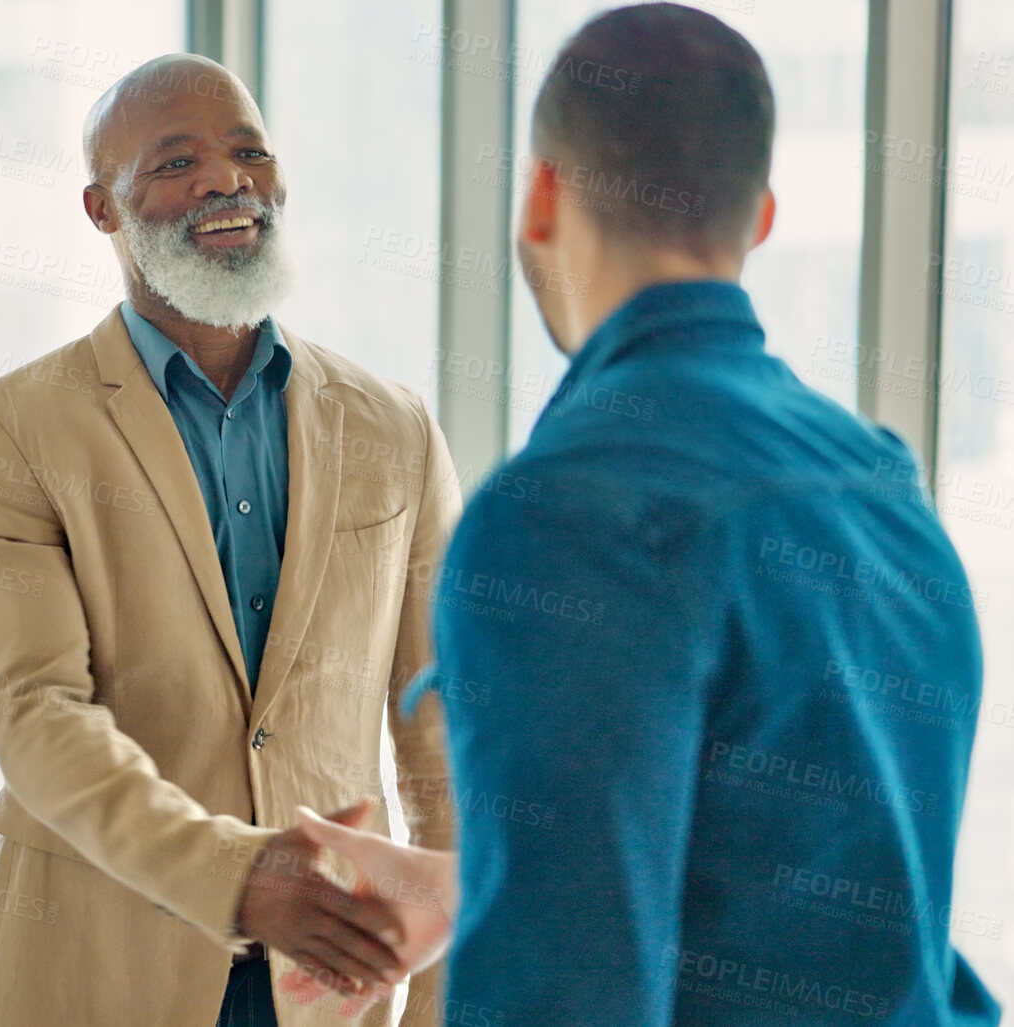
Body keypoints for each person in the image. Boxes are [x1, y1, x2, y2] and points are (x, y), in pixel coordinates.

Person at [386, 4, 1001, 1024]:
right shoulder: (885, 490)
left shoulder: (560, 517)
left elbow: (563, 996)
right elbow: (833, 925)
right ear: (759, 216)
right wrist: (473, 882)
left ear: (541, 196)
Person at [0, 53, 461, 1027]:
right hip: (99, 962)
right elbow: (34, 715)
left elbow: (441, 724)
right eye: (176, 162)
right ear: (102, 209)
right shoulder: (8, 430)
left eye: (247, 152)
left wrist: (441, 996)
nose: (226, 179)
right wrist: (241, 876)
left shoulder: (396, 427)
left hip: (335, 977)